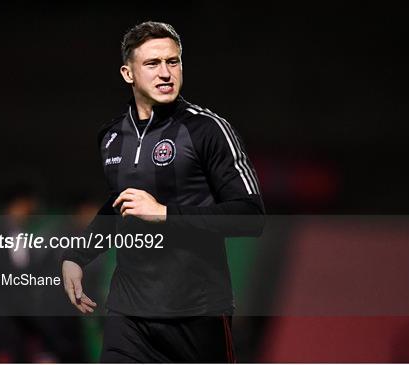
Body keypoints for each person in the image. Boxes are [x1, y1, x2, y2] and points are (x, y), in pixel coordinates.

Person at [62, 21, 265, 363]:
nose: (166, 73)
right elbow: (118, 206)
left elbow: (250, 216)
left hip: (197, 312)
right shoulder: (111, 136)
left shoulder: (207, 129)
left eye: (173, 62)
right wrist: (77, 256)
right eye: (152, 64)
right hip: (129, 313)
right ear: (128, 73)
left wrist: (165, 214)